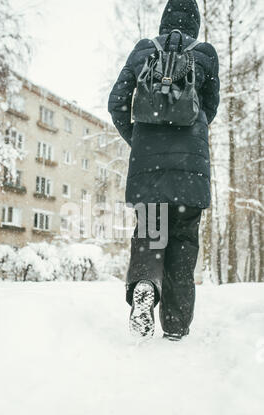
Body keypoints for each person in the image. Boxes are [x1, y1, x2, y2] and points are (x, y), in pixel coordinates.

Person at [108, 0, 220, 341]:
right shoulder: (204, 53)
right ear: (195, 24)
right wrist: (191, 133)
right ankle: (175, 326)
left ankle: (144, 283)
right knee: (183, 244)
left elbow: (116, 102)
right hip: (190, 173)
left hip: (149, 171)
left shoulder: (143, 50)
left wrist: (139, 141)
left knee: (151, 234)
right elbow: (210, 107)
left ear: (163, 21)